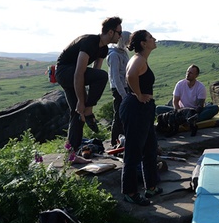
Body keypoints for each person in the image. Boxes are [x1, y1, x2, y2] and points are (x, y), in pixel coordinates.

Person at [55, 17, 122, 153]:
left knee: (78, 113)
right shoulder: (90, 42)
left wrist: (83, 101)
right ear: (110, 32)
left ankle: (72, 152)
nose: (120, 36)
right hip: (64, 71)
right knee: (102, 77)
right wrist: (83, 101)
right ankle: (89, 110)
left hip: (74, 74)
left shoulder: (103, 49)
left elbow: (93, 74)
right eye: (119, 33)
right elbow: (79, 73)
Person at [119, 30, 162, 206]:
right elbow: (130, 76)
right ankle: (129, 192)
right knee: (134, 151)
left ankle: (151, 187)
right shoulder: (138, 59)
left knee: (150, 149)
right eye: (151, 37)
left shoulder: (140, 59)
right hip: (137, 108)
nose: (154, 39)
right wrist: (139, 95)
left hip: (142, 109)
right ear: (143, 43)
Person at [107, 30, 131, 147]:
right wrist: (123, 94)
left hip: (126, 87)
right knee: (118, 115)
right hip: (118, 89)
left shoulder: (123, 52)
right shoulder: (114, 55)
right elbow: (115, 77)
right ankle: (114, 141)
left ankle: (123, 138)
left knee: (125, 114)